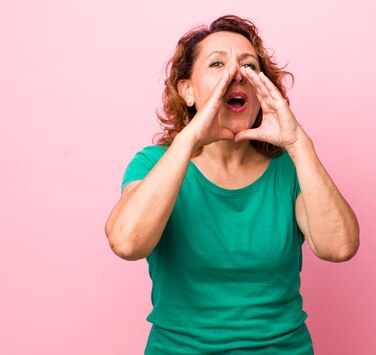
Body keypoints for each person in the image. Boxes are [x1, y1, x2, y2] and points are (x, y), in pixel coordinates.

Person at [105, 15, 359, 354]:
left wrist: (298, 143)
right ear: (188, 90)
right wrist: (191, 136)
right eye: (217, 64)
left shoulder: (291, 169)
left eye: (249, 65)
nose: (235, 74)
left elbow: (339, 248)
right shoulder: (153, 165)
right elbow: (126, 242)